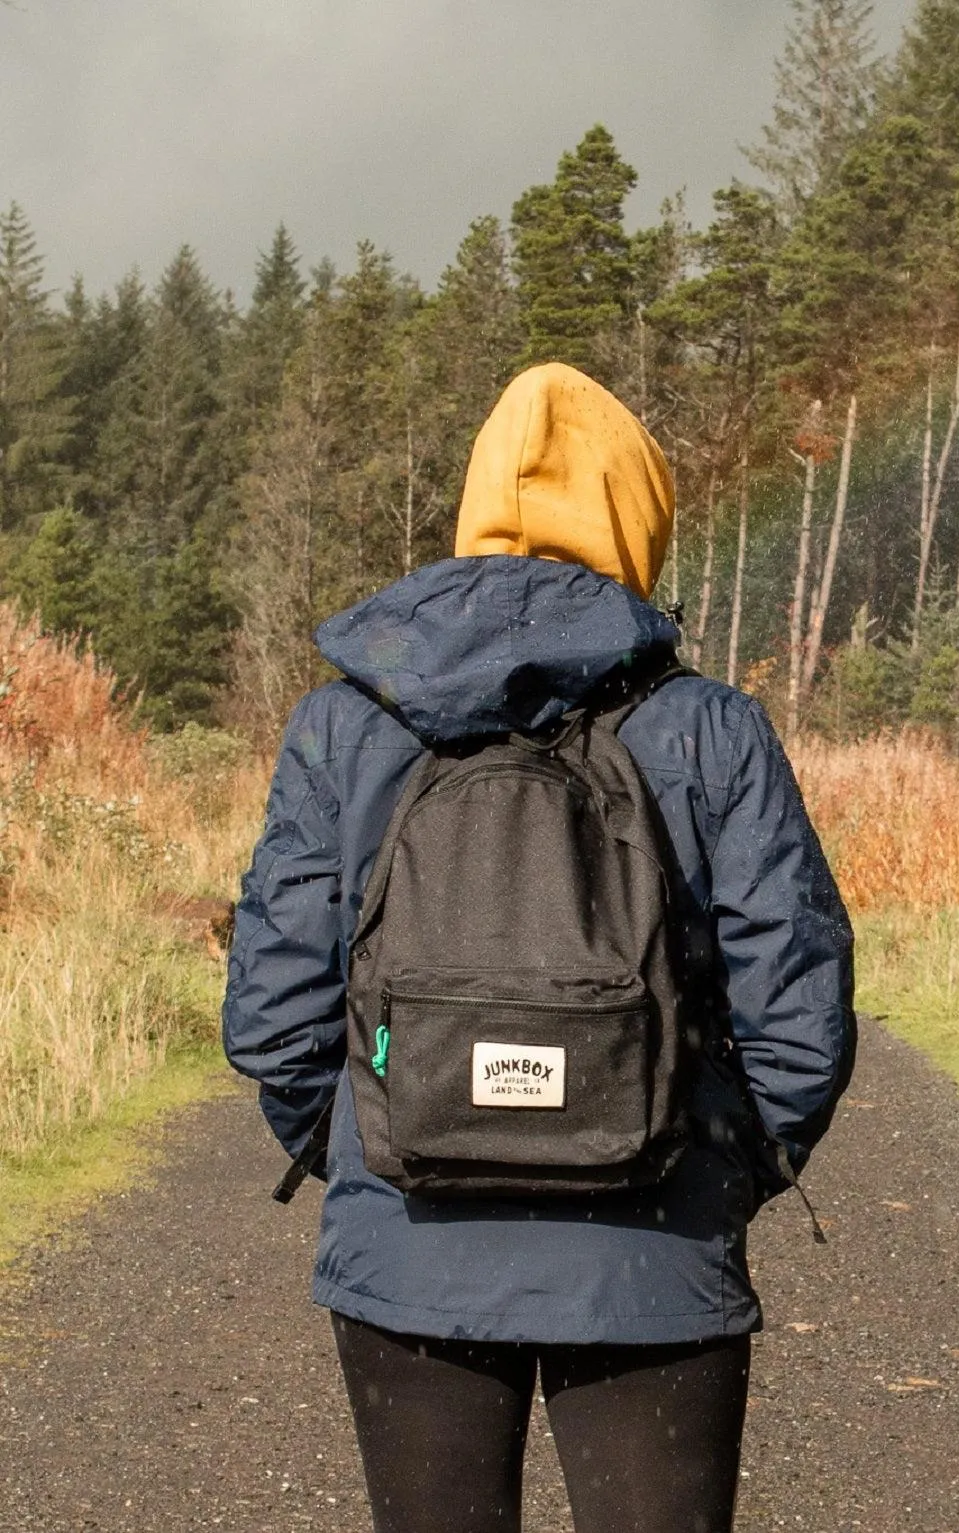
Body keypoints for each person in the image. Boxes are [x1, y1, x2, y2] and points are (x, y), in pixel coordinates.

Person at [223, 361, 856, 1533]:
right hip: (655, 1257)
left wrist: (367, 1141)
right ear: (637, 519)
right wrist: (720, 1167)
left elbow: (273, 1010)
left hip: (406, 1248)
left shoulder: (344, 722)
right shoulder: (711, 727)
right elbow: (800, 1010)